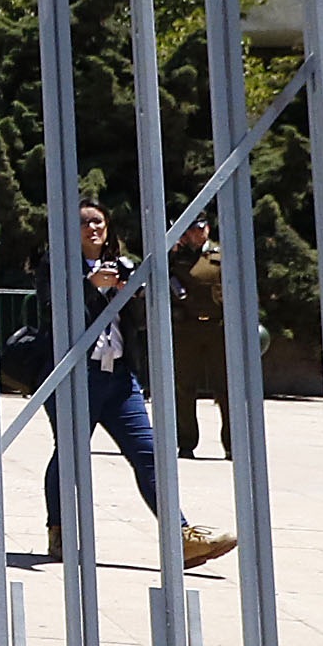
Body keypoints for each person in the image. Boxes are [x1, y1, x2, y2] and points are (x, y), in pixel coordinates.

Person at [40, 199, 238, 567]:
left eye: (98, 221)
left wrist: (133, 292)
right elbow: (52, 313)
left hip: (118, 376)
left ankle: (180, 536)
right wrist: (87, 286)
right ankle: (60, 531)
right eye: (83, 223)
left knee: (149, 454)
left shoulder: (122, 266)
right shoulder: (56, 267)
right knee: (69, 454)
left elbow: (140, 322)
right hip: (75, 377)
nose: (92, 229)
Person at [167, 216, 232, 458]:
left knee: (226, 388)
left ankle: (232, 445)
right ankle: (186, 443)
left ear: (208, 229)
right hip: (187, 328)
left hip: (219, 328)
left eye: (200, 228)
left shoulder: (221, 255)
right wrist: (173, 249)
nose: (196, 233)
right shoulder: (175, 256)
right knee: (185, 388)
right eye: (191, 229)